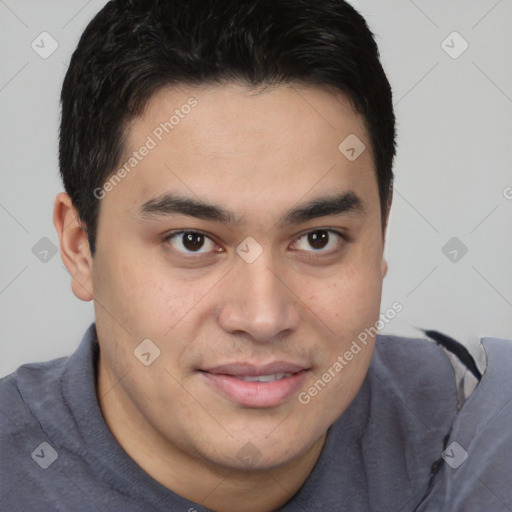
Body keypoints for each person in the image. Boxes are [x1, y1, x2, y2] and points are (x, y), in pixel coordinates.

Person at [1, 0, 510, 510]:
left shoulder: (487, 431)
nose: (264, 317)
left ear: (381, 232)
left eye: (318, 238)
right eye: (192, 241)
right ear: (79, 249)